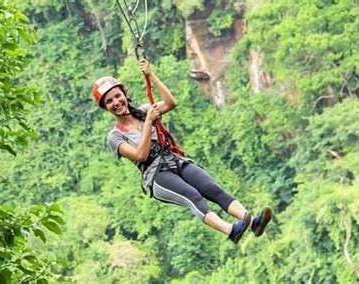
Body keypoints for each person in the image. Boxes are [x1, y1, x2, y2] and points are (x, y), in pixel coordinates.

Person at [92, 58, 272, 244]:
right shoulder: (115, 137)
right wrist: (148, 122)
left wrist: (151, 75)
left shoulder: (144, 110)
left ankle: (252, 223)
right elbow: (141, 155)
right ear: (106, 107)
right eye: (109, 101)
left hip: (174, 160)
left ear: (124, 94)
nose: (116, 102)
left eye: (117, 96)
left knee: (213, 189)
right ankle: (230, 230)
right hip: (157, 176)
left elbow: (171, 103)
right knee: (192, 196)